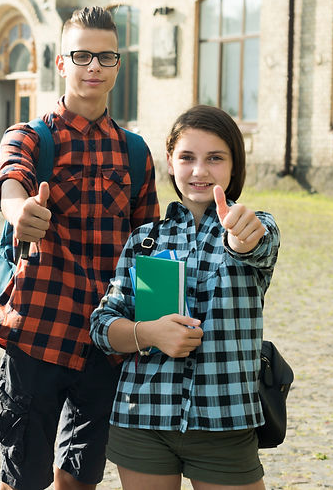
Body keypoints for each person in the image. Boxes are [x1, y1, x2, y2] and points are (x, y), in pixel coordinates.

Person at [0, 6, 160, 490]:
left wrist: (151, 327)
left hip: (106, 343)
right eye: (81, 55)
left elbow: (148, 246)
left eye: (105, 57)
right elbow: (11, 181)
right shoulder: (29, 137)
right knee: (23, 477)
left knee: (82, 476)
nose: (93, 67)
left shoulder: (135, 152)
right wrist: (19, 211)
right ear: (61, 63)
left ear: (117, 66)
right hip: (39, 331)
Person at [90, 105, 280, 489]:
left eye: (215, 158)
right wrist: (149, 333)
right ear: (170, 162)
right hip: (143, 419)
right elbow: (102, 324)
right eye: (187, 158)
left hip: (224, 421)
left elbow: (253, 245)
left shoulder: (255, 225)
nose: (199, 171)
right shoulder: (144, 240)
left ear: (234, 164)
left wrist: (241, 237)